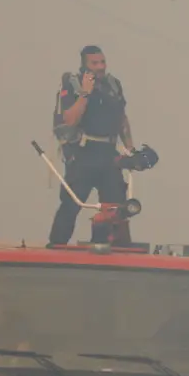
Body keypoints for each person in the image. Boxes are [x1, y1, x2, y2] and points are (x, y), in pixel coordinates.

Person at [48, 44, 136, 245]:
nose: (100, 67)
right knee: (70, 205)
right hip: (83, 153)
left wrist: (131, 149)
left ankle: (108, 246)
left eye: (102, 62)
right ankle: (56, 245)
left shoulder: (113, 85)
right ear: (85, 66)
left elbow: (122, 119)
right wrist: (84, 95)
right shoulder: (72, 85)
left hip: (108, 154)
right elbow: (69, 119)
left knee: (116, 209)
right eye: (95, 63)